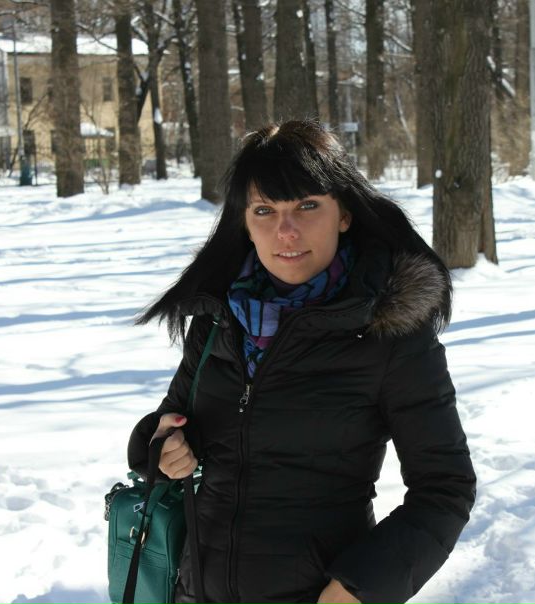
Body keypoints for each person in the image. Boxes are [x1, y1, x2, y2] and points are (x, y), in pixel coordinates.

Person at [129, 120, 477, 604]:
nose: (286, 231)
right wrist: (161, 445)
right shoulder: (218, 317)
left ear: (344, 214)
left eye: (307, 206)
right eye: (265, 210)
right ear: (244, 222)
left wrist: (356, 589)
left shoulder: (388, 333)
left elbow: (445, 487)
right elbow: (176, 421)